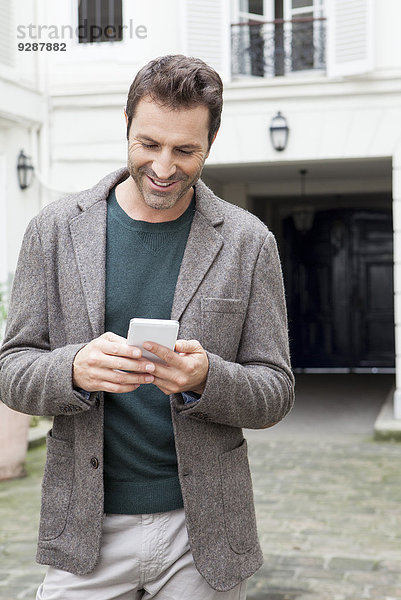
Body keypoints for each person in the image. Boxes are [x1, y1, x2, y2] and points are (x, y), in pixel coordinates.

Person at [0, 55, 294, 599]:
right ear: (127, 127)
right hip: (86, 526)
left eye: (185, 151)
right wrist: (72, 368)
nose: (163, 167)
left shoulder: (249, 242)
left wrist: (208, 378)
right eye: (148, 144)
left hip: (201, 530)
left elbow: (275, 392)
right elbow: (11, 369)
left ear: (211, 143)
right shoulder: (54, 230)